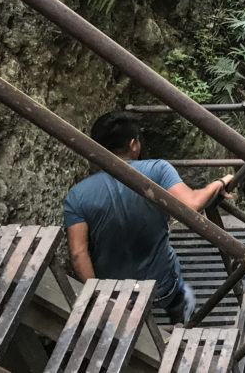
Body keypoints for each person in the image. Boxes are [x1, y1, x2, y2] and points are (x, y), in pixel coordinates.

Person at [63, 110, 235, 324]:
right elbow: (191, 203)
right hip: (161, 287)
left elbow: (78, 253)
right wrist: (219, 182)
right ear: (133, 144)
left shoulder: (77, 195)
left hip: (115, 295)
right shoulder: (157, 170)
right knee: (178, 295)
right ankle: (181, 319)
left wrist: (101, 296)